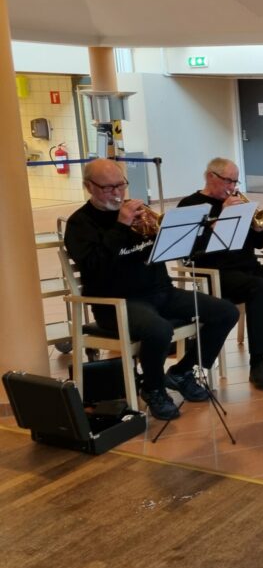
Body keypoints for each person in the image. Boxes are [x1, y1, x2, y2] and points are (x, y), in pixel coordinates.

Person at [63, 159, 240, 420]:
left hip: (161, 292)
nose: (117, 193)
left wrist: (178, 232)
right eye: (108, 187)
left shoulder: (139, 212)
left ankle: (182, 372)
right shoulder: (80, 224)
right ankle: (153, 388)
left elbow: (175, 248)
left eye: (121, 185)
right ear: (89, 186)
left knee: (226, 312)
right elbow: (94, 266)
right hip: (116, 303)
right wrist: (120, 226)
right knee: (159, 329)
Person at [179, 158, 263, 391]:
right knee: (259, 287)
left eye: (235, 181)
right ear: (210, 177)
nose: (233, 186)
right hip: (215, 272)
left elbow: (257, 244)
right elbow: (191, 249)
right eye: (228, 181)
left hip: (248, 267)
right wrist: (222, 217)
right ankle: (257, 362)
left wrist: (258, 228)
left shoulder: (238, 202)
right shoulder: (191, 205)